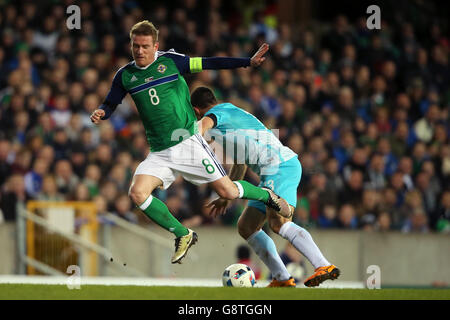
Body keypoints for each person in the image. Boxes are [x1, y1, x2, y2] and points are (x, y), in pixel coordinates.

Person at [90, 21, 291, 264]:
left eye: (145, 46)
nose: (139, 51)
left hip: (186, 142)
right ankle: (183, 234)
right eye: (135, 46)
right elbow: (111, 102)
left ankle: (266, 195)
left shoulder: (172, 62)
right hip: (159, 151)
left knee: (227, 190)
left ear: (156, 46)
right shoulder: (125, 75)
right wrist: (102, 111)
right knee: (138, 193)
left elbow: (209, 62)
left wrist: (246, 62)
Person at [191, 86, 340, 287]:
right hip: (272, 171)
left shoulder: (218, 113)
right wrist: (227, 196)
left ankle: (323, 265)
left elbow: (200, 128)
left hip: (279, 166)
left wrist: (192, 139)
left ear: (196, 110)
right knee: (246, 226)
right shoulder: (229, 121)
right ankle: (281, 278)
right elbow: (240, 163)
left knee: (278, 222)